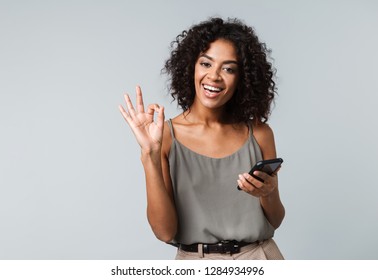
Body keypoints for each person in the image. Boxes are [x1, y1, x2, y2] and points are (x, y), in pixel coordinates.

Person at [119, 17, 285, 260]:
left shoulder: (260, 134)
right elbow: (164, 232)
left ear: (243, 79)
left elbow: (276, 219)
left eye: (228, 69)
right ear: (191, 67)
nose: (214, 76)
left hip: (259, 256)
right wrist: (149, 156)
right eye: (206, 64)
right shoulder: (165, 136)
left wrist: (268, 192)